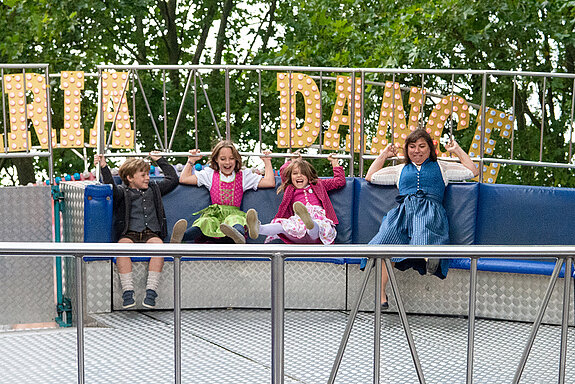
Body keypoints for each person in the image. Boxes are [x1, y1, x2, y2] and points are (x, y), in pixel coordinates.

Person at [364, 129, 479, 310]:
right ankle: (381, 295)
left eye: (421, 146)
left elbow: (472, 171)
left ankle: (430, 258)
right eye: (412, 147)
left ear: (430, 149)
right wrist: (384, 154)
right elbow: (371, 177)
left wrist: (456, 150)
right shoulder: (400, 169)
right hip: (403, 213)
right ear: (407, 150)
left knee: (424, 227)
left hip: (429, 211)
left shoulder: (442, 167)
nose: (417, 150)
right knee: (386, 241)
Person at [94, 151, 180, 309]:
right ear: (130, 178)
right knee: (122, 248)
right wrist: (103, 167)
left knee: (158, 248)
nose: (148, 178)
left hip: (150, 233)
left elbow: (173, 179)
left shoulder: (154, 189)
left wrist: (160, 160)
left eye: (148, 174)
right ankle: (127, 291)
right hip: (130, 233)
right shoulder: (122, 191)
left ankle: (151, 291)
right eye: (143, 175)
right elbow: (110, 188)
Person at [179, 140, 275, 243]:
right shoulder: (210, 175)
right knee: (205, 222)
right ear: (216, 159)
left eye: (231, 158)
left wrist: (267, 161)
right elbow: (184, 178)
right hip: (216, 216)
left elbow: (269, 182)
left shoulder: (243, 176)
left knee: (236, 220)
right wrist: (191, 161)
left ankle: (238, 236)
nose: (227, 162)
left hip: (234, 213)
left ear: (236, 159)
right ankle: (181, 237)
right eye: (223, 159)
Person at [245, 154, 346, 244]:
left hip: (317, 227)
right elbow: (283, 171)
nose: (299, 176)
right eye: (295, 173)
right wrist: (293, 161)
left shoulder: (318, 184)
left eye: (303, 173)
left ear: (309, 176)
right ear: (290, 176)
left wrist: (335, 163)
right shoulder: (290, 188)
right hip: (298, 222)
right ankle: (258, 228)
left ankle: (310, 223)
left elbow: (339, 181)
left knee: (318, 226)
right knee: (282, 225)